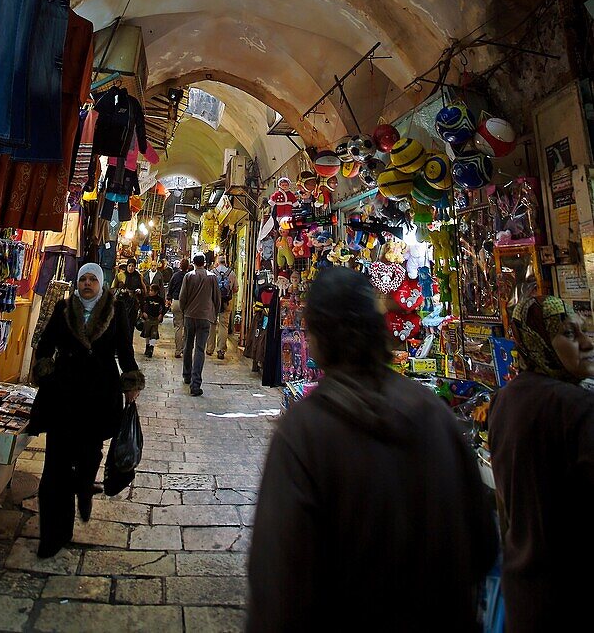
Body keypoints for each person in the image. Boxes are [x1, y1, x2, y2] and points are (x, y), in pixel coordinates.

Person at [247, 270, 496, 632]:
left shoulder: (305, 432)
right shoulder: (433, 413)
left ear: (315, 339)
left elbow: (277, 583)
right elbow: (482, 546)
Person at [488, 295, 594, 633]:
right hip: (571, 593)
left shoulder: (506, 397)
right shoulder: (574, 406)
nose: (587, 342)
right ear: (539, 341)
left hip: (524, 590)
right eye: (569, 334)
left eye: (583, 331)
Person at [27, 263, 145, 559]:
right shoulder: (63, 309)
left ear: (101, 284)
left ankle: (83, 485)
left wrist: (130, 381)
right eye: (83, 279)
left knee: (89, 454)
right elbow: (45, 345)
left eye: (93, 279)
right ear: (77, 283)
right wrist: (45, 370)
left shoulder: (115, 312)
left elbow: (126, 351)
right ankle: (53, 535)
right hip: (64, 393)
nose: (88, 284)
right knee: (55, 467)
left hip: (99, 394)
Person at [179, 253, 220, 397]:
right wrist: (215, 314)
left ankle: (186, 375)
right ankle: (195, 384)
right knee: (200, 349)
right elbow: (217, 298)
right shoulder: (212, 277)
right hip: (205, 317)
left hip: (190, 316)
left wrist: (184, 311)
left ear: (194, 263)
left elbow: (182, 297)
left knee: (188, 345)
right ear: (204, 263)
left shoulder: (189, 276)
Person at [206, 252, 238, 359]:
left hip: (213, 302)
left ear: (217, 262)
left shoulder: (212, 273)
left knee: (212, 324)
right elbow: (236, 289)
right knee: (223, 326)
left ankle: (210, 349)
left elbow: (208, 288)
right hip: (226, 302)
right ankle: (221, 350)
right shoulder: (232, 273)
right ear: (226, 262)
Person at [167, 257, 190, 358]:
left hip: (176, 301)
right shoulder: (190, 276)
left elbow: (170, 288)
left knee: (178, 327)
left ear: (180, 266)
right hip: (188, 303)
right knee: (187, 327)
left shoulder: (175, 276)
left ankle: (178, 350)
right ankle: (185, 349)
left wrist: (168, 298)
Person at [118, 257, 145, 334]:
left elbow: (144, 290)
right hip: (122, 304)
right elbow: (113, 289)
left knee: (130, 327)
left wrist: (140, 291)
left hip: (134, 305)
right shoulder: (121, 276)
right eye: (129, 266)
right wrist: (121, 291)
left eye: (132, 266)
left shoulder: (138, 277)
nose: (131, 268)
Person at [140, 282, 166, 358]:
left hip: (155, 319)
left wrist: (161, 314)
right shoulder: (147, 298)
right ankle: (147, 346)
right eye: (150, 290)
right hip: (148, 318)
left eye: (151, 290)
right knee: (147, 333)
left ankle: (151, 348)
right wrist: (143, 312)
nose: (150, 292)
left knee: (153, 333)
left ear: (156, 292)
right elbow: (142, 306)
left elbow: (163, 308)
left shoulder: (160, 300)